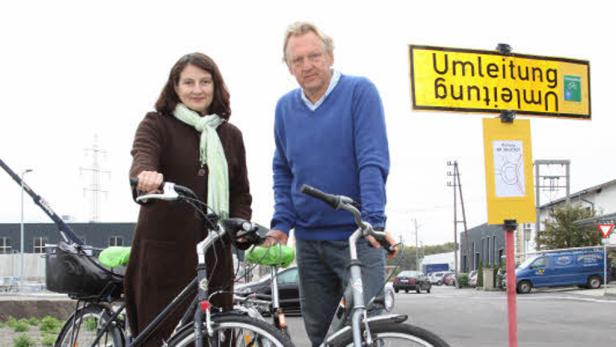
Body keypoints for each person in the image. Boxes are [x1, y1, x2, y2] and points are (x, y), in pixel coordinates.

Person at [265, 22, 398, 346]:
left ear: (330, 55)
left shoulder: (359, 92)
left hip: (357, 235)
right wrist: (282, 223)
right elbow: (283, 170)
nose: (307, 65)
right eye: (298, 60)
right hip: (309, 241)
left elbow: (372, 160)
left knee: (367, 324)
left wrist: (372, 223)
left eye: (314, 56)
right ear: (289, 66)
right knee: (319, 333)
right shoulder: (285, 108)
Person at [125, 52, 252, 346]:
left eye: (205, 82)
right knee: (158, 336)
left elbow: (240, 192)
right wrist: (146, 175)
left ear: (216, 86)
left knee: (214, 334)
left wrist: (240, 224)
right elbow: (143, 154)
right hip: (164, 255)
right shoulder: (156, 124)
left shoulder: (230, 135)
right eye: (189, 82)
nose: (198, 89)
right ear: (175, 87)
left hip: (214, 255)